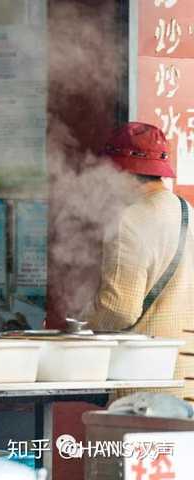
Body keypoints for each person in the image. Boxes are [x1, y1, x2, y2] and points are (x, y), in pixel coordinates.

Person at [83, 122, 194, 394]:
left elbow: (119, 309)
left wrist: (83, 326)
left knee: (140, 439)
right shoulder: (189, 212)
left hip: (147, 381)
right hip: (188, 374)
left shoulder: (129, 219)